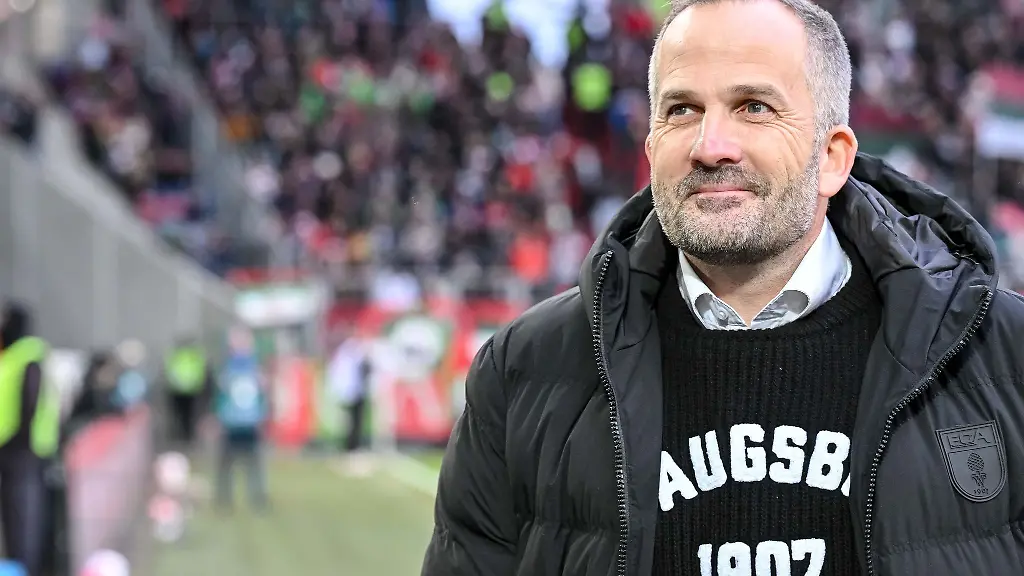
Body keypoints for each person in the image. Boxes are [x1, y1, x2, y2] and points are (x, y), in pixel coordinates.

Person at [420, 1, 1024, 575]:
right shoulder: (522, 371)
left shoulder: (1008, 359)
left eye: (754, 107)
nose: (710, 147)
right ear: (652, 147)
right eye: (682, 110)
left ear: (833, 157)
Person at [0, 303, 60, 576]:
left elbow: (29, 402)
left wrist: (19, 438)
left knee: (23, 515)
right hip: (16, 448)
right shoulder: (17, 355)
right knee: (17, 514)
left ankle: (24, 567)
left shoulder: (26, 355)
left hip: (23, 449)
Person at [213, 327, 269, 512]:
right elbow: (221, 397)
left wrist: (262, 417)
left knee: (253, 464)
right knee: (227, 465)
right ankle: (224, 500)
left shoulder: (253, 369)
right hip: (232, 424)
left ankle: (257, 498)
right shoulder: (229, 369)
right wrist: (220, 418)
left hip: (249, 424)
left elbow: (262, 396)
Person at [163, 337, 211, 448]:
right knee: (183, 415)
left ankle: (186, 437)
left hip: (184, 389)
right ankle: (183, 436)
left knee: (185, 415)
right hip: (184, 389)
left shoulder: (180, 354)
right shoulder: (190, 354)